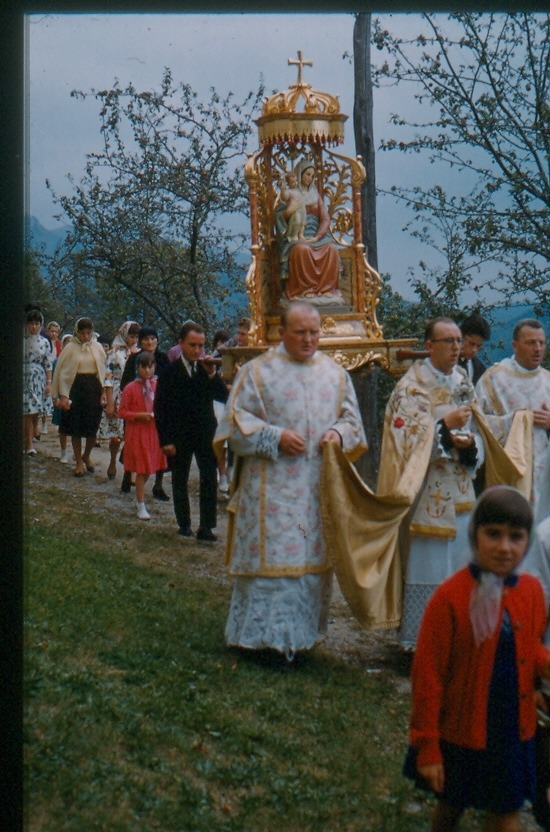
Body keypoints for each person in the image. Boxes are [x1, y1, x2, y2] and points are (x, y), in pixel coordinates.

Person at [214, 301, 367, 660]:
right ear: (281, 332)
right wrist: (274, 437)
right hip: (271, 489)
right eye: (300, 332)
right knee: (274, 566)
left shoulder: (335, 374)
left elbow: (353, 423)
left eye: (314, 332)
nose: (309, 339)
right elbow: (234, 428)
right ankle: (263, 642)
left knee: (307, 567)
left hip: (315, 489)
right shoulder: (256, 372)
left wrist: (338, 434)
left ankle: (299, 640)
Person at [404, 485, 550, 832]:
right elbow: (428, 676)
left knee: (505, 812)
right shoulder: (449, 598)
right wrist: (427, 746)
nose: (504, 547)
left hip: (511, 729)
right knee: (452, 801)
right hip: (462, 729)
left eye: (516, 537)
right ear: (475, 535)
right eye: (493, 534)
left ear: (527, 542)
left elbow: (528, 651)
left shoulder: (530, 592)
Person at [380, 317, 484, 650]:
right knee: (430, 567)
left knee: (462, 567)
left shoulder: (464, 380)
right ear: (430, 346)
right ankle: (423, 643)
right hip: (426, 494)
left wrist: (471, 446)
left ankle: (459, 641)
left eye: (458, 341)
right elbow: (404, 438)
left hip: (462, 493)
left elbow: (478, 429)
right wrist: (444, 426)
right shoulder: (412, 386)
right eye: (448, 341)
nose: (456, 347)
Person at [155, 321, 228, 541]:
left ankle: (206, 526)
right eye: (192, 345)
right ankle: (184, 523)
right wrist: (165, 439)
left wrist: (212, 374)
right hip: (179, 433)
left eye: (200, 346)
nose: (197, 350)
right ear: (181, 344)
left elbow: (222, 397)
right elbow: (160, 407)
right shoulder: (169, 372)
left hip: (205, 431)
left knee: (208, 478)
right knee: (180, 478)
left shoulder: (206, 369)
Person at [476, 318, 550, 508]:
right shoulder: (493, 379)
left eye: (542, 343)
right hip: (508, 472)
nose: (538, 349)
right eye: (531, 343)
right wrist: (515, 421)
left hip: (544, 473)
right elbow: (477, 424)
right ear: (515, 345)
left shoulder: (548, 380)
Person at [274, 158, 343, 304]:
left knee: (331, 249)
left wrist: (317, 237)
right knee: (301, 250)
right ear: (299, 174)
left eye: (312, 175)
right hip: (296, 234)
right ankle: (303, 291)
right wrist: (289, 211)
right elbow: (279, 217)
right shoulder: (291, 193)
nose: (310, 178)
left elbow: (325, 219)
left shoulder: (315, 195)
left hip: (315, 235)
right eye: (307, 174)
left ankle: (326, 291)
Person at [51, 317, 107, 477]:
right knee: (76, 426)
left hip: (93, 388)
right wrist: (61, 395)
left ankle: (86, 455)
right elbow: (61, 372)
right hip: (75, 388)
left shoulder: (97, 347)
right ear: (77, 332)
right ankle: (78, 462)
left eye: (89, 333)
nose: (86, 337)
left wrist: (103, 391)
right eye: (83, 333)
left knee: (92, 427)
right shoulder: (70, 348)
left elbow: (103, 370)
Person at [120, 325, 170, 498]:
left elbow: (169, 382)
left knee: (160, 444)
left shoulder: (163, 359)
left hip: (158, 407)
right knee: (134, 444)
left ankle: (158, 484)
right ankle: (128, 474)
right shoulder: (134, 359)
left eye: (153, 338)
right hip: (136, 407)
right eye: (146, 339)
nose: (150, 342)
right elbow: (125, 382)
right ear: (140, 341)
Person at [117, 351, 167, 521]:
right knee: (142, 468)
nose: (147, 370)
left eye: (150, 367)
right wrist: (138, 415)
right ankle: (141, 504)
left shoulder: (157, 385)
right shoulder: (131, 388)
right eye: (143, 367)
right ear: (138, 368)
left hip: (153, 431)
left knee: (149, 467)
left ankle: (140, 497)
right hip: (137, 432)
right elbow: (122, 412)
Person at [98, 320, 140, 480]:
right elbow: (107, 377)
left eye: (136, 336)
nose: (134, 339)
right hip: (117, 393)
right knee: (115, 435)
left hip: (133, 395)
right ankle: (112, 461)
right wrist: (109, 401)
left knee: (130, 434)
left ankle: (131, 470)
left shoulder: (138, 353)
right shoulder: (114, 352)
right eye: (131, 336)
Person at [23, 309, 52, 455]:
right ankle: (29, 444)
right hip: (24, 377)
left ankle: (35, 429)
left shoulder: (44, 342)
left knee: (36, 408)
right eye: (31, 323)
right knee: (27, 409)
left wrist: (48, 382)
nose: (34, 327)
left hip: (39, 378)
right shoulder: (22, 340)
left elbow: (48, 363)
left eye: (36, 324)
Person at [51, 334, 72, 463]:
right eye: (66, 343)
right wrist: (55, 398)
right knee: (63, 427)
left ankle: (77, 452)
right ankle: (63, 451)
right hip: (61, 395)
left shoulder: (79, 360)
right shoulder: (57, 361)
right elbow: (55, 380)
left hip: (75, 396)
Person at [458, 313, 491, 385]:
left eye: (478, 346)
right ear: (461, 336)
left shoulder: (480, 369)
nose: (474, 350)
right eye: (471, 343)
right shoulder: (441, 360)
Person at [276, 171, 306, 241]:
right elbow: (284, 197)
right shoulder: (289, 191)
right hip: (295, 211)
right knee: (297, 220)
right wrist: (282, 189)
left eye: (296, 181)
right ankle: (293, 235)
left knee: (303, 223)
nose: (295, 183)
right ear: (288, 183)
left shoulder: (298, 190)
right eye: (293, 182)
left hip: (301, 209)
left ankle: (301, 234)